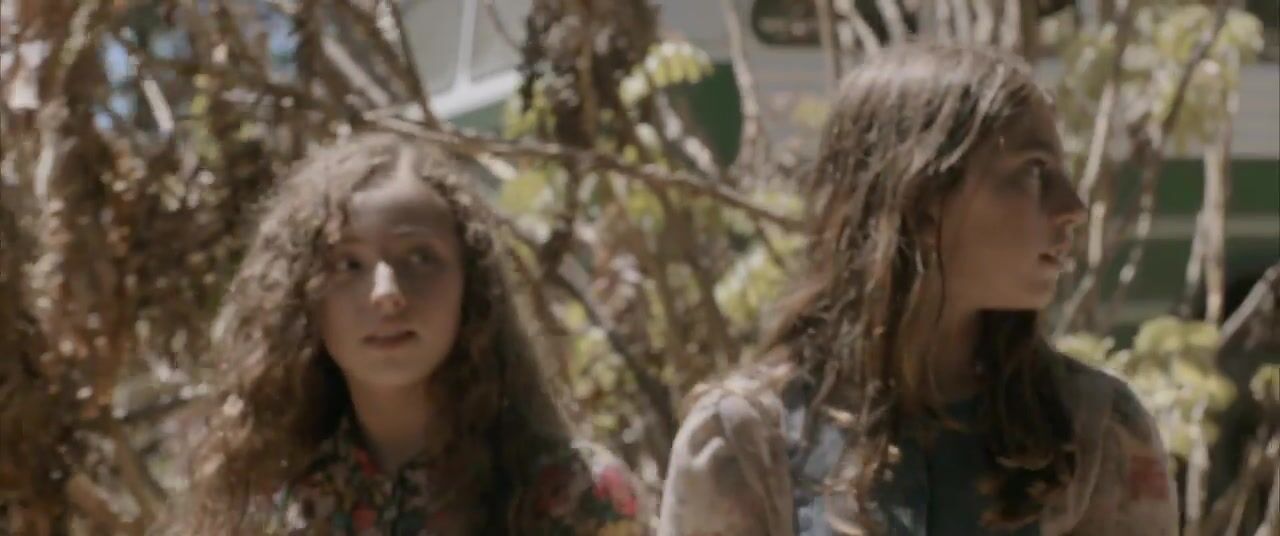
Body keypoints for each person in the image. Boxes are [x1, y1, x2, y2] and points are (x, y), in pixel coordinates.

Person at [658, 43, 1177, 535]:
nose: (1073, 209)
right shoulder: (747, 441)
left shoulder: (1096, 432)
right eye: (1035, 172)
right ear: (923, 200)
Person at [169, 132, 643, 534]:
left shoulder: (574, 493)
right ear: (303, 298)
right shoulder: (268, 511)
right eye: (348, 264)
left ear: (472, 285)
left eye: (420, 257)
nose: (386, 293)